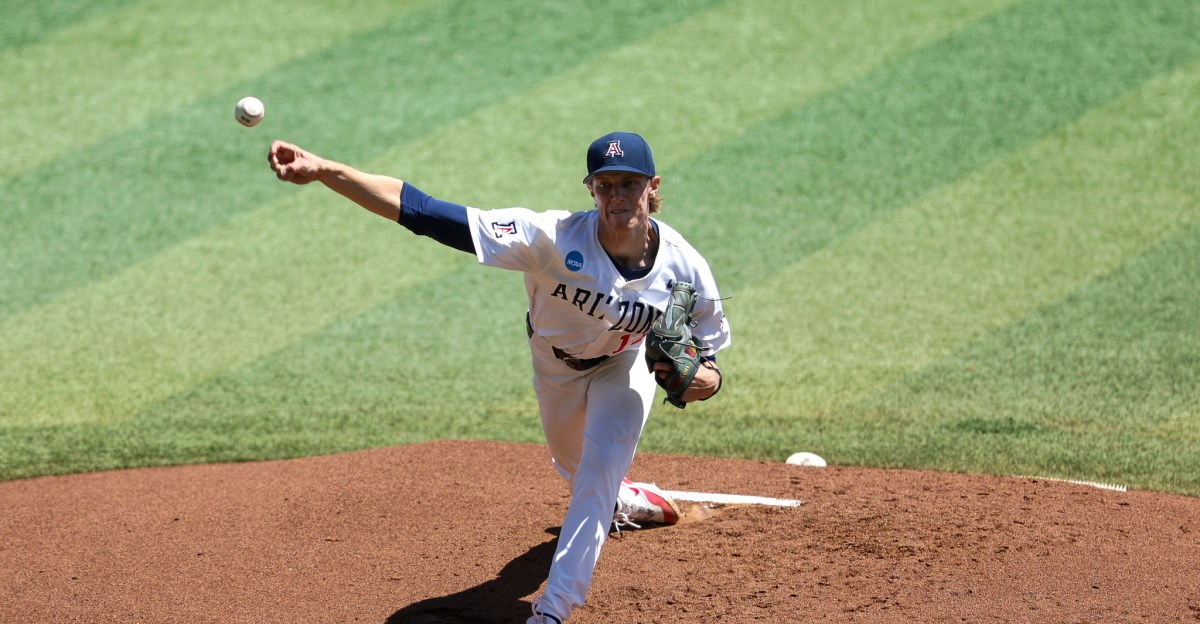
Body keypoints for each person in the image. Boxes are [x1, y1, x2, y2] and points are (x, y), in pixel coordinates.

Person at [268, 131, 731, 623]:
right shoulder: (549, 238)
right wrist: (324, 170)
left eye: (630, 184)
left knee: (595, 474)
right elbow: (422, 212)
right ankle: (626, 498)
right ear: (590, 189)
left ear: (652, 186)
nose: (618, 196)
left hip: (624, 366)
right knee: (580, 474)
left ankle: (552, 611)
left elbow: (709, 360)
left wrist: (705, 381)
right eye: (606, 184)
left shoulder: (686, 265)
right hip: (555, 367)